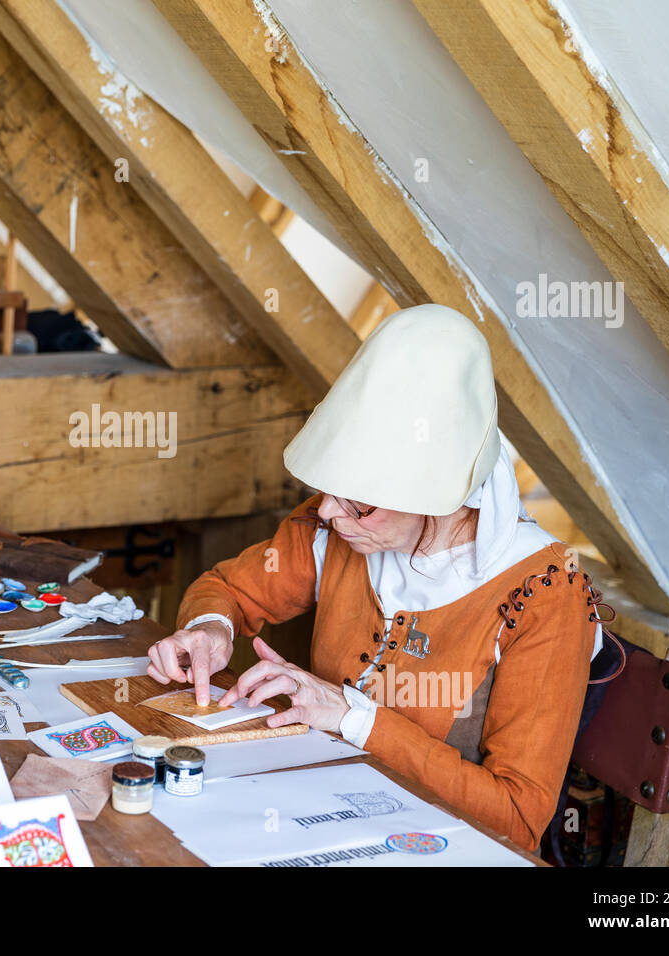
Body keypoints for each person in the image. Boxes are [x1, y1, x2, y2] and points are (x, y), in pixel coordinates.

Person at [147, 304, 608, 851]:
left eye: (360, 503)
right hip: (324, 811)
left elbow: (517, 817)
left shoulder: (544, 593)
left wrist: (353, 718)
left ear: (436, 497)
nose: (327, 514)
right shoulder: (344, 528)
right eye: (331, 492)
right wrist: (211, 628)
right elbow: (228, 589)